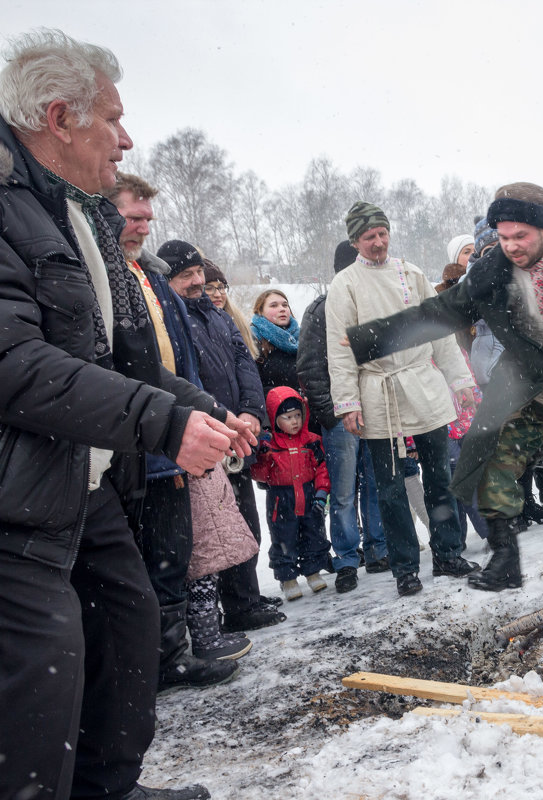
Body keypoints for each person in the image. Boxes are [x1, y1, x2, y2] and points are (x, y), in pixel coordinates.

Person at [0, 29, 254, 800]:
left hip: (82, 478)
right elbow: (13, 363)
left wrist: (203, 410)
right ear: (59, 118)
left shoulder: (77, 215)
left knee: (130, 624)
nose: (127, 137)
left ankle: (107, 787)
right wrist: (159, 423)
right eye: (113, 118)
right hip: (15, 493)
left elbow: (118, 360)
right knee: (42, 675)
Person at [345, 183, 543, 591]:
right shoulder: (490, 270)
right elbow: (441, 311)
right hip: (529, 387)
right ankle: (505, 560)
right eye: (503, 237)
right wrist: (372, 339)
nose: (512, 246)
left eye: (521, 236)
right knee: (489, 461)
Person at [104, 172, 240, 691]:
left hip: (173, 427)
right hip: (132, 434)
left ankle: (172, 654)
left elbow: (176, 362)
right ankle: (143, 666)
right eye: (133, 216)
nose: (144, 224)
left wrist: (205, 408)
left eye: (147, 216)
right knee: (138, 559)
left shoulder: (153, 278)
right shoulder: (104, 274)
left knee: (174, 551)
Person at [326, 201, 480, 597]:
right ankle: (405, 568)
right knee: (392, 488)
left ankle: (447, 553)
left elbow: (439, 330)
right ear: (355, 241)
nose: (377, 242)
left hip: (423, 385)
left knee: (439, 477)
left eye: (381, 234)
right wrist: (348, 402)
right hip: (380, 393)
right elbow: (339, 350)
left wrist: (460, 379)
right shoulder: (345, 285)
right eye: (368, 237)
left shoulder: (411, 274)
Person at [159, 239, 286, 632]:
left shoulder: (217, 316)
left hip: (237, 432)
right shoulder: (170, 319)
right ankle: (224, 609)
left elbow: (244, 363)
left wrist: (250, 412)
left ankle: (245, 598)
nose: (198, 282)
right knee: (214, 528)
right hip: (206, 434)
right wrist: (217, 420)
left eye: (200, 273)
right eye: (187, 276)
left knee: (243, 520)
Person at [297, 240, 388, 593]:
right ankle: (348, 558)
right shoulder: (322, 309)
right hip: (341, 415)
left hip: (376, 409)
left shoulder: (374, 303)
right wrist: (331, 413)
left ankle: (379, 548)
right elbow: (309, 365)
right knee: (345, 490)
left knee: (378, 484)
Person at [251, 387, 332, 600]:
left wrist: (322, 491)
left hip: (309, 495)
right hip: (281, 498)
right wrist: (263, 457)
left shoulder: (311, 441)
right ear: (275, 419)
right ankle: (288, 578)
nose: (294, 421)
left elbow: (322, 467)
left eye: (297, 415)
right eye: (287, 417)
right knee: (283, 538)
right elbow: (260, 475)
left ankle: (313, 572)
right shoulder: (270, 445)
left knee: (313, 533)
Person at [251, 288, 302, 395]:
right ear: (260, 311)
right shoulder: (252, 339)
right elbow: (251, 386)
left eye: (285, 305)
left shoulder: (303, 336)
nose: (282, 309)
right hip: (271, 408)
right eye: (274, 305)